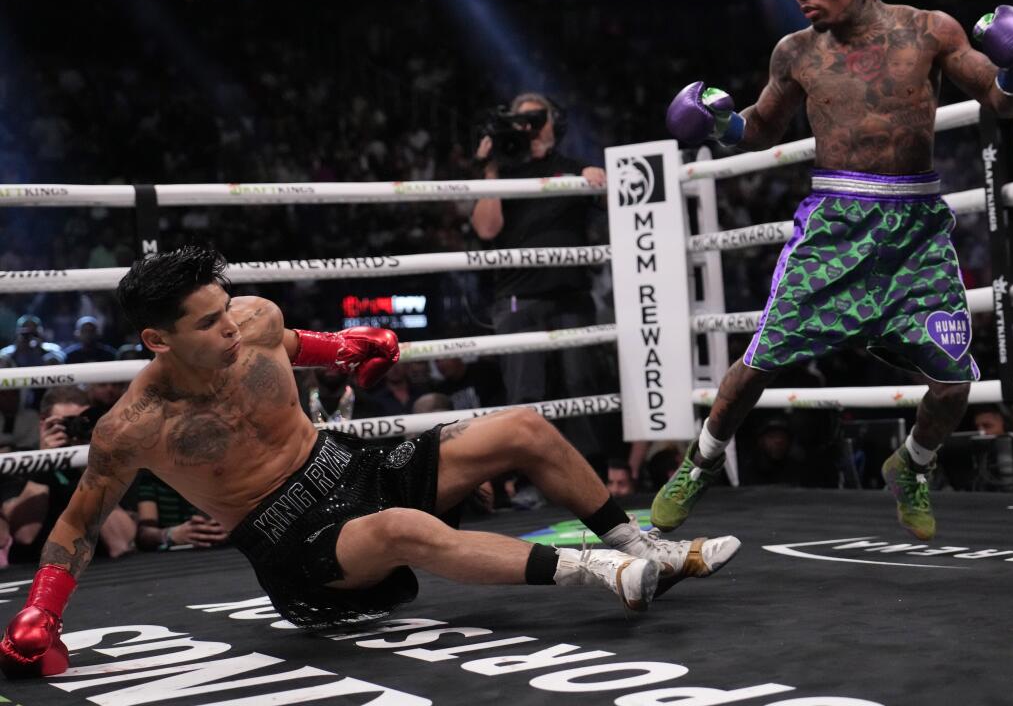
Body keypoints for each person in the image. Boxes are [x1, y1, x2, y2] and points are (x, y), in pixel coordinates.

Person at [0, 245, 739, 678]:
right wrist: (42, 611)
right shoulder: (134, 427)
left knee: (522, 427)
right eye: (206, 323)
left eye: (225, 308)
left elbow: (296, 347)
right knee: (401, 528)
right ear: (158, 341)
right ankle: (604, 576)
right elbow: (80, 519)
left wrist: (350, 348)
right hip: (292, 539)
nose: (229, 327)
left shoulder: (253, 322)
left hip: (345, 461)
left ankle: (642, 549)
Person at [656, 0, 1013, 541]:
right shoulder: (796, 52)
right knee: (759, 361)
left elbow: (1001, 103)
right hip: (837, 223)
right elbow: (760, 128)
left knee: (953, 383)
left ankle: (911, 465)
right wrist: (719, 123)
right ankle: (697, 464)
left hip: (916, 227)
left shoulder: (929, 31)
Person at [470, 93, 613, 473]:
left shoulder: (573, 168)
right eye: (524, 119)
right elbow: (486, 228)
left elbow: (615, 200)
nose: (532, 125)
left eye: (539, 117)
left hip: (572, 293)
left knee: (580, 384)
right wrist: (490, 169)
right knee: (524, 390)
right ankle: (526, 476)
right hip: (519, 294)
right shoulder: (501, 173)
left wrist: (594, 179)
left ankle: (590, 474)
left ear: (555, 123)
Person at [1, 386, 136, 567]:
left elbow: (119, 543)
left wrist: (87, 467)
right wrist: (45, 463)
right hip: (36, 571)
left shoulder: (107, 465)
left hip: (102, 570)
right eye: (68, 422)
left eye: (82, 421)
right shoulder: (21, 463)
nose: (75, 428)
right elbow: (24, 536)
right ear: (44, 423)